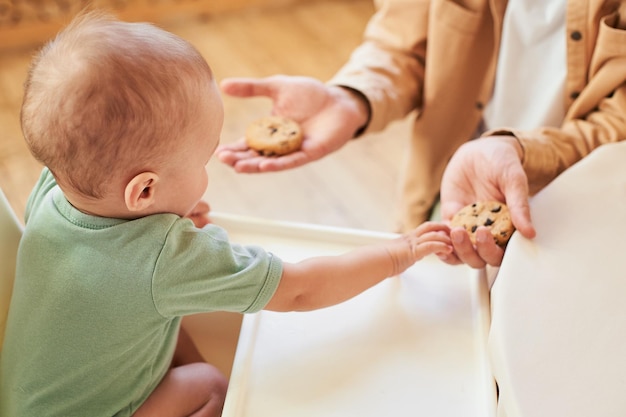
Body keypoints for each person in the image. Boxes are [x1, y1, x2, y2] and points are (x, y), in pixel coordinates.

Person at [0, 11, 455, 417]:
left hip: (26, 403)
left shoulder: (54, 188)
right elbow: (301, 291)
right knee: (209, 384)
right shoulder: (168, 259)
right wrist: (399, 253)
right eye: (203, 160)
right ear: (143, 191)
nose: (208, 170)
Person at [216, 0, 626, 267]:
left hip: (587, 215)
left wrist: (521, 150)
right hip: (455, 185)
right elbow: (401, 44)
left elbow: (619, 119)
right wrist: (353, 96)